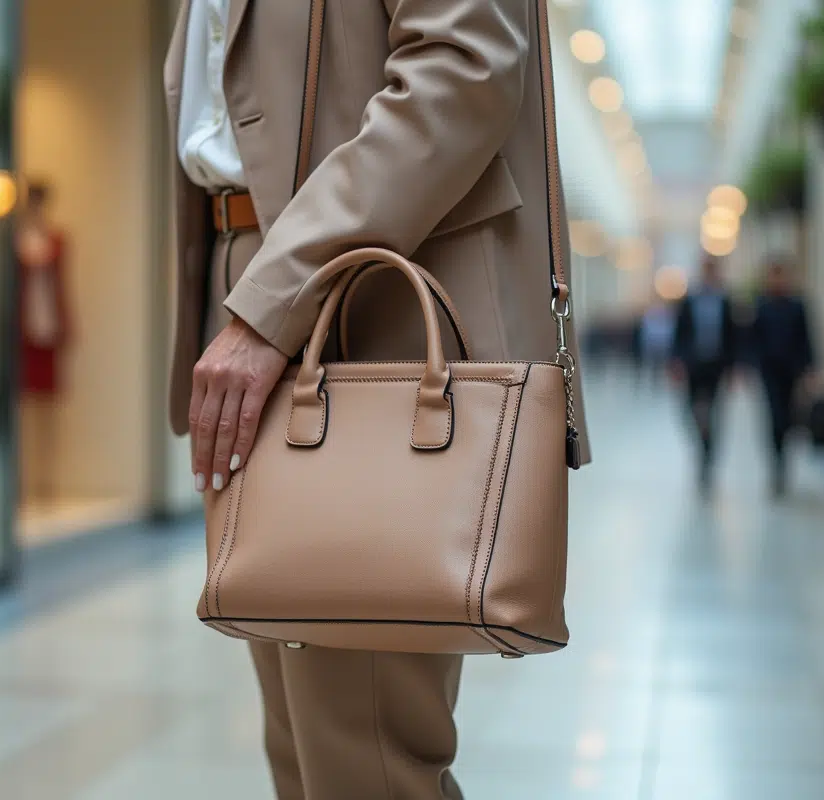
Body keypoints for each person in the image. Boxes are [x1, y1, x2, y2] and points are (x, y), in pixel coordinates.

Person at [164, 1, 589, 797]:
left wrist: (268, 306)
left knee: (367, 764)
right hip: (262, 282)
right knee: (305, 751)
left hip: (353, 297)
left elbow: (465, 64)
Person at [16, 181, 71, 503]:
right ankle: (22, 481)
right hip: (23, 335)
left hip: (48, 330)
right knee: (23, 409)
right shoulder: (17, 240)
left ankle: (46, 481)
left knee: (48, 411)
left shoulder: (55, 239)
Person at [670, 256, 738, 491]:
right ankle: (701, 442)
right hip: (693, 366)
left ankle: (708, 456)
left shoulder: (725, 301)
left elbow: (733, 337)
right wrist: (676, 362)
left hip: (716, 367)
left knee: (714, 412)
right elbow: (679, 334)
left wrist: (733, 368)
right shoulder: (689, 301)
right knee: (692, 411)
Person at [752, 257, 816, 495]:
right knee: (774, 416)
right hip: (770, 371)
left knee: (788, 417)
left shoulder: (797, 305)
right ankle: (776, 464)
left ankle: (784, 458)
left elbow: (807, 338)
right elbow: (753, 340)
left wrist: (809, 368)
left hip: (791, 370)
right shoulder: (763, 305)